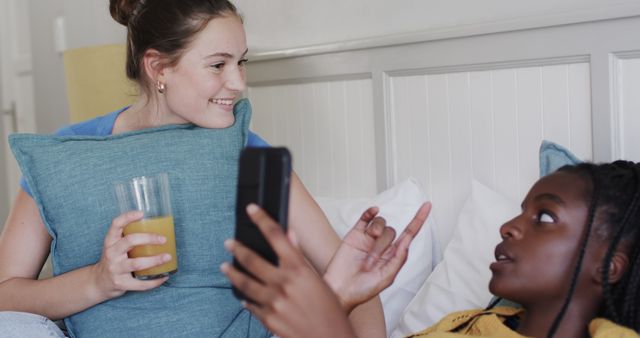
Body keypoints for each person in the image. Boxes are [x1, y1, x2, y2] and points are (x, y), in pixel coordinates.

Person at [0, 0, 386, 337]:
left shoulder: (248, 150)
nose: (237, 83)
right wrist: (98, 281)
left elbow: (356, 283)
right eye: (218, 64)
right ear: (159, 68)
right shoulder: (69, 154)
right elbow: (5, 293)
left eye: (241, 62)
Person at [224, 161, 640, 338]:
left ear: (610, 265)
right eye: (520, 211)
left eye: (544, 217)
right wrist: (341, 297)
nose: (509, 227)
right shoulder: (471, 323)